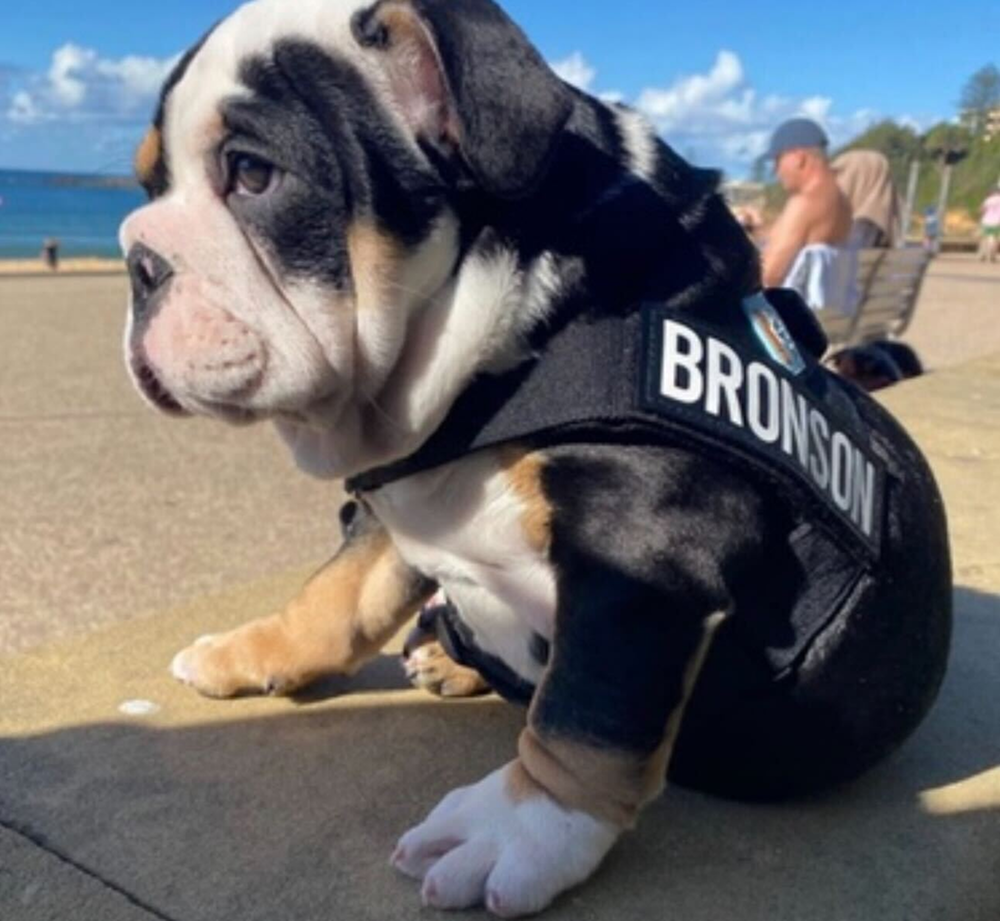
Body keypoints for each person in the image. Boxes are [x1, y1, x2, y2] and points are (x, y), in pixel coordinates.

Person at [760, 118, 856, 315]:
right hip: (827, 319)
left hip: (790, 326)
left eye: (778, 160)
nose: (776, 171)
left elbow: (766, 278)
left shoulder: (804, 203)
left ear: (799, 157)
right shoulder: (841, 201)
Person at [832, 149, 902, 248]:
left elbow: (839, 260)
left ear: (861, 178)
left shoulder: (864, 227)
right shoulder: (880, 221)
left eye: (840, 174)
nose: (836, 182)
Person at [978, 182, 1000, 263]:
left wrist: (981, 216)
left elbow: (982, 210)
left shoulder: (988, 200)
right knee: (995, 238)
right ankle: (992, 255)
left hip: (986, 221)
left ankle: (982, 254)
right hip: (997, 222)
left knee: (985, 238)